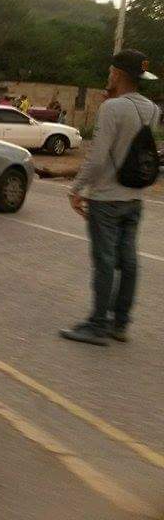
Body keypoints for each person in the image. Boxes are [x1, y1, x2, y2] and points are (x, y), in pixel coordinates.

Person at [60, 50, 160, 345]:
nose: (108, 76)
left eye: (110, 72)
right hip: (134, 197)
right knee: (128, 260)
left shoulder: (112, 108)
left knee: (104, 261)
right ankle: (120, 322)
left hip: (106, 198)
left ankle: (96, 325)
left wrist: (76, 188)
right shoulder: (153, 109)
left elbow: (98, 157)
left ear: (117, 74)